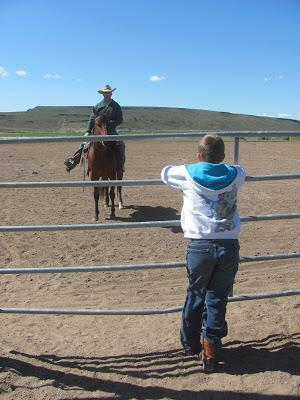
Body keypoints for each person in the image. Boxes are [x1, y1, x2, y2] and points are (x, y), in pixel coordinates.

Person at [161, 135, 246, 372]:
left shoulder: (186, 173)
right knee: (218, 296)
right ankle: (211, 345)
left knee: (196, 293)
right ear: (223, 156)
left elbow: (164, 173)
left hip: (199, 246)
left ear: (199, 156)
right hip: (228, 244)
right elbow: (241, 170)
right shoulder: (236, 173)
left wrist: (190, 165)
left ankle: (190, 344)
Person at [64, 84, 125, 172]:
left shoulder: (116, 106)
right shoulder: (97, 106)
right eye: (105, 93)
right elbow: (92, 119)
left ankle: (120, 165)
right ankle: (74, 161)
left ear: (111, 94)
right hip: (97, 131)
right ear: (102, 94)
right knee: (83, 143)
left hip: (111, 131)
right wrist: (88, 131)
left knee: (121, 144)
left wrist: (109, 123)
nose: (107, 94)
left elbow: (120, 120)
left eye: (108, 92)